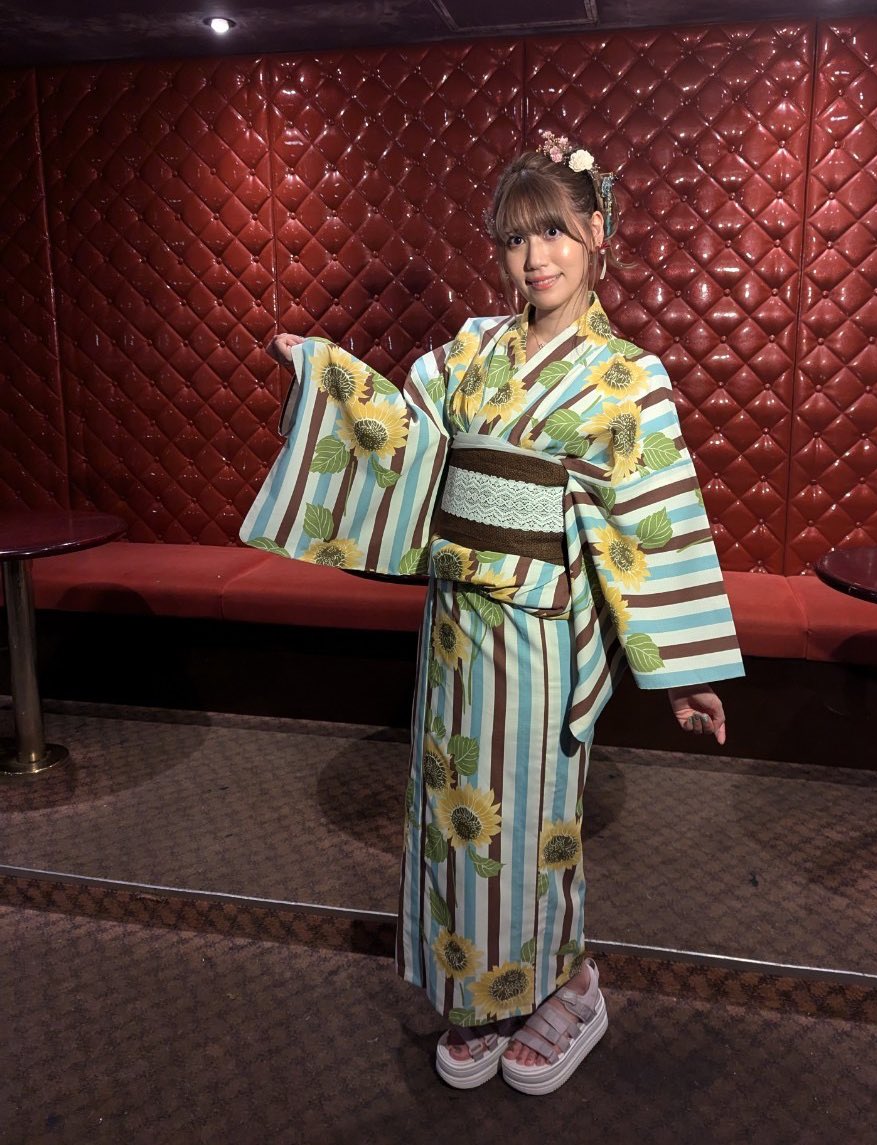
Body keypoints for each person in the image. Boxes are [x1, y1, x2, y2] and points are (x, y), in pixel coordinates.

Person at [242, 132, 744, 1095]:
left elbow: (652, 522)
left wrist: (684, 675)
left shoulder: (627, 377)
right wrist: (326, 376)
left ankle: (570, 987)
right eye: (515, 240)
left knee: (533, 821)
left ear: (597, 234)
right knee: (451, 812)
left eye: (553, 232)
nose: (535, 258)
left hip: (542, 629)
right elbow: (407, 442)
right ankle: (478, 996)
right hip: (454, 628)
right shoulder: (471, 351)